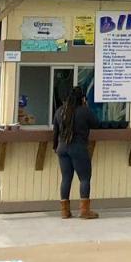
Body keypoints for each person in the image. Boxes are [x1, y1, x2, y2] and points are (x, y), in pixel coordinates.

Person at [54, 85, 100, 219]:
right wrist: (87, 106)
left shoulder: (60, 111)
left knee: (66, 178)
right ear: (82, 99)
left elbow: (55, 132)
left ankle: (64, 211)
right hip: (78, 148)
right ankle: (84, 211)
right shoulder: (84, 111)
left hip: (62, 148)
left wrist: (55, 147)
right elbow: (96, 124)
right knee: (84, 178)